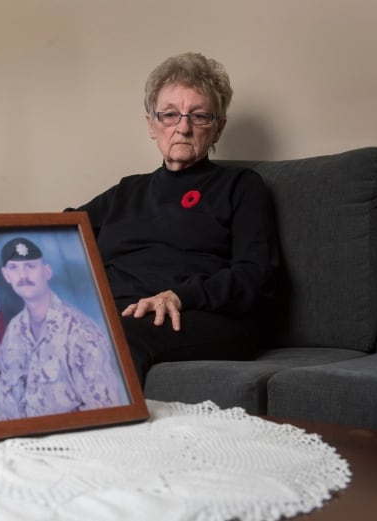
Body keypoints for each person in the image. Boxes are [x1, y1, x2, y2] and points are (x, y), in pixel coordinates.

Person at [68, 51, 280, 386]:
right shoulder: (127, 192)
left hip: (197, 314)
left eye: (199, 117)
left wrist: (180, 295)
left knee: (107, 336)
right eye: (170, 115)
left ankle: (92, 434)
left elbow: (256, 276)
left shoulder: (240, 187)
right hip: (119, 311)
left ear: (219, 128)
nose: (183, 128)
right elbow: (59, 232)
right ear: (152, 125)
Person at [0, 237, 125, 420]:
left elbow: (104, 408)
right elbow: (7, 401)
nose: (22, 276)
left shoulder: (80, 331)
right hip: (25, 440)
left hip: (76, 439)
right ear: (6, 275)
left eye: (30, 266)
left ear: (46, 272)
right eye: (14, 268)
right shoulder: (14, 331)